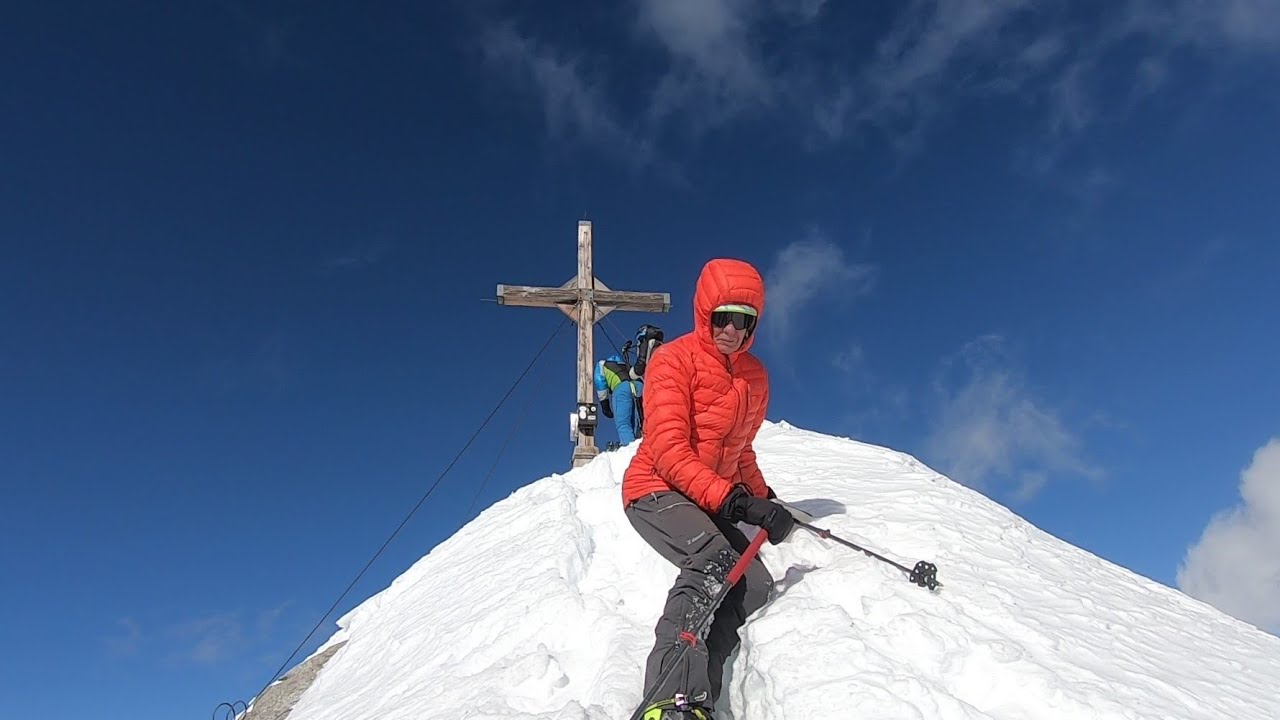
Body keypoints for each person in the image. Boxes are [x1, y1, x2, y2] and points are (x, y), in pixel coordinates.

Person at [621, 258, 796, 720]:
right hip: (654, 488)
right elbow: (668, 448)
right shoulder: (673, 360)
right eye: (723, 317)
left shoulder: (753, 377)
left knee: (753, 585)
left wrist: (767, 501)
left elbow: (741, 452)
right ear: (705, 313)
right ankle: (672, 698)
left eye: (744, 320)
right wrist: (735, 500)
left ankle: (703, 697)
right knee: (714, 558)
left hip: (709, 495)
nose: (732, 330)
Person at [595, 353, 643, 445]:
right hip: (639, 386)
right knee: (640, 422)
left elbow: (600, 382)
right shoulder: (626, 364)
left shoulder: (602, 364)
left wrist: (605, 407)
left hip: (621, 388)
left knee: (623, 424)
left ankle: (629, 450)